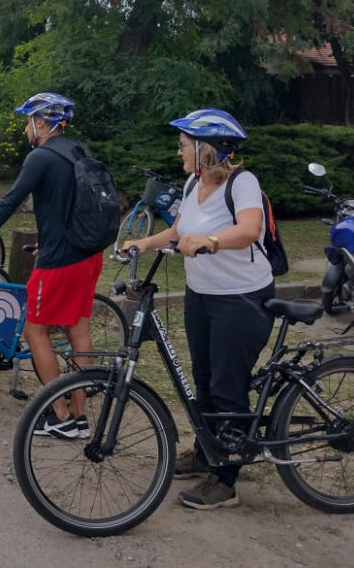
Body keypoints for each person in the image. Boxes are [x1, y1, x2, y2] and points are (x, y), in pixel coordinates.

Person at [123, 108, 273, 510]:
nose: (179, 153)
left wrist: (212, 240)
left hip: (240, 299)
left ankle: (225, 479)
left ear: (207, 149)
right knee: (203, 378)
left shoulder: (243, 183)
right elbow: (178, 232)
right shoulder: (194, 183)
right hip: (202, 295)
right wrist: (144, 243)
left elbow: (249, 230)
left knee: (227, 384)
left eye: (184, 146)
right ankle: (208, 451)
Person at [0, 92, 101, 438]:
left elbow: (8, 203)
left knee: (34, 331)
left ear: (41, 122)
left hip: (60, 261)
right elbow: (74, 205)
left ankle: (58, 416)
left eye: (28, 121)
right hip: (88, 254)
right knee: (77, 329)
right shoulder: (79, 151)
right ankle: (79, 415)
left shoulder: (41, 157)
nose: (26, 128)